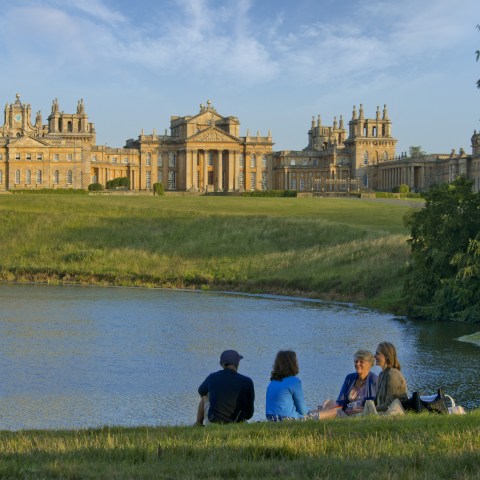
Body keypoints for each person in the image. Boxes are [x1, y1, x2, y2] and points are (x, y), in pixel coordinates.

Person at [195, 349, 255, 425]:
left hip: (213, 422)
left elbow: (201, 391)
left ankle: (198, 424)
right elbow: (249, 414)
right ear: (237, 363)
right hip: (238, 422)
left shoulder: (212, 377)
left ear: (222, 364)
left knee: (206, 395)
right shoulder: (247, 381)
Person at [266, 350, 318, 421]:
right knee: (332, 412)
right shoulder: (294, 381)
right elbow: (302, 411)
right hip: (288, 419)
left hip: (271, 419)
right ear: (292, 364)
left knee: (317, 411)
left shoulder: (272, 383)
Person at [364, 341, 408, 415]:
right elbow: (377, 402)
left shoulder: (393, 374)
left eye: (377, 354)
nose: (374, 356)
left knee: (366, 406)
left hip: (392, 413)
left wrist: (369, 409)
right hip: (382, 412)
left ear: (387, 356)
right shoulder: (381, 374)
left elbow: (389, 405)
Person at [335, 349, 378, 415]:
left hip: (363, 414)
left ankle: (315, 417)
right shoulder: (349, 378)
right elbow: (340, 402)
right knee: (329, 403)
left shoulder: (374, 379)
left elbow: (377, 404)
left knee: (335, 411)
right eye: (356, 361)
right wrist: (345, 410)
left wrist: (363, 410)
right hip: (346, 413)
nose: (358, 364)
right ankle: (315, 416)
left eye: (361, 362)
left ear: (369, 364)